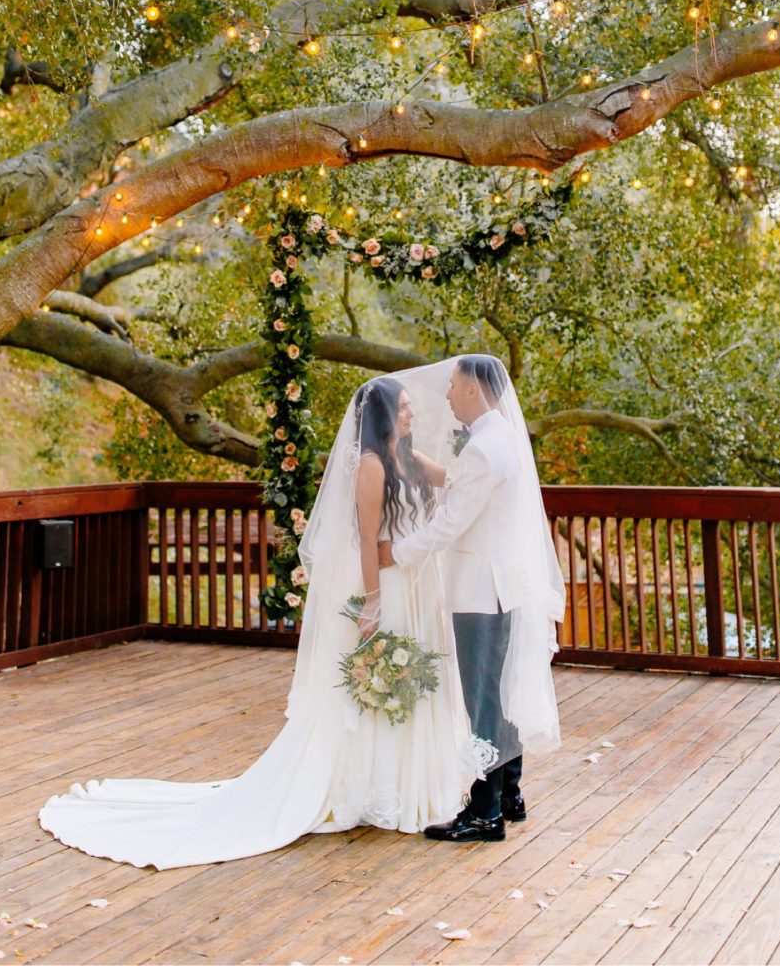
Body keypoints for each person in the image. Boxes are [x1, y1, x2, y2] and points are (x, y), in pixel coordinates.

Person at [37, 371, 478, 867]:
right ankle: (373, 788)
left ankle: (408, 785)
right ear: (381, 417)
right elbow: (367, 544)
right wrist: (373, 603)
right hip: (387, 587)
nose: (411, 413)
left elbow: (459, 479)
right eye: (401, 407)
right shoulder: (372, 466)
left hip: (415, 589)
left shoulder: (406, 458)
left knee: (411, 686)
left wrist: (482, 444)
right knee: (381, 686)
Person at [387, 354, 566, 842]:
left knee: (482, 699)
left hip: (481, 591)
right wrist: (427, 468)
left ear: (473, 389)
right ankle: (509, 793)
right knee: (500, 692)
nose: (446, 394)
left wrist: (397, 553)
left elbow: (450, 524)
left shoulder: (485, 447)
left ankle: (484, 811)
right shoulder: (499, 440)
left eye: (452, 385)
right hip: (502, 586)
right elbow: (468, 492)